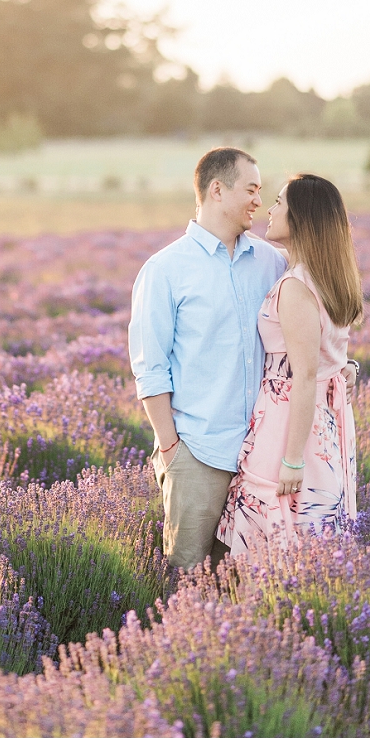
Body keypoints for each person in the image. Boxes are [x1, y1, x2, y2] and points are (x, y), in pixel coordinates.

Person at [128, 147, 286, 570]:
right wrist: (171, 449)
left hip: (261, 456)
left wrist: (342, 364)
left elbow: (304, 334)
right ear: (217, 190)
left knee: (249, 582)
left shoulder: (272, 262)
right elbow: (150, 369)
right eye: (251, 189)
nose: (259, 200)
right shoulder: (165, 269)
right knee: (188, 577)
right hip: (198, 454)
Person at [217, 174, 361, 553]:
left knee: (280, 537)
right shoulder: (327, 279)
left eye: (279, 202)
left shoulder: (296, 286)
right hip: (325, 424)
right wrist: (348, 367)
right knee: (312, 542)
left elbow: (305, 375)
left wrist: (292, 460)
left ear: (300, 217)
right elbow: (328, 356)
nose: (270, 208)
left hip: (290, 429)